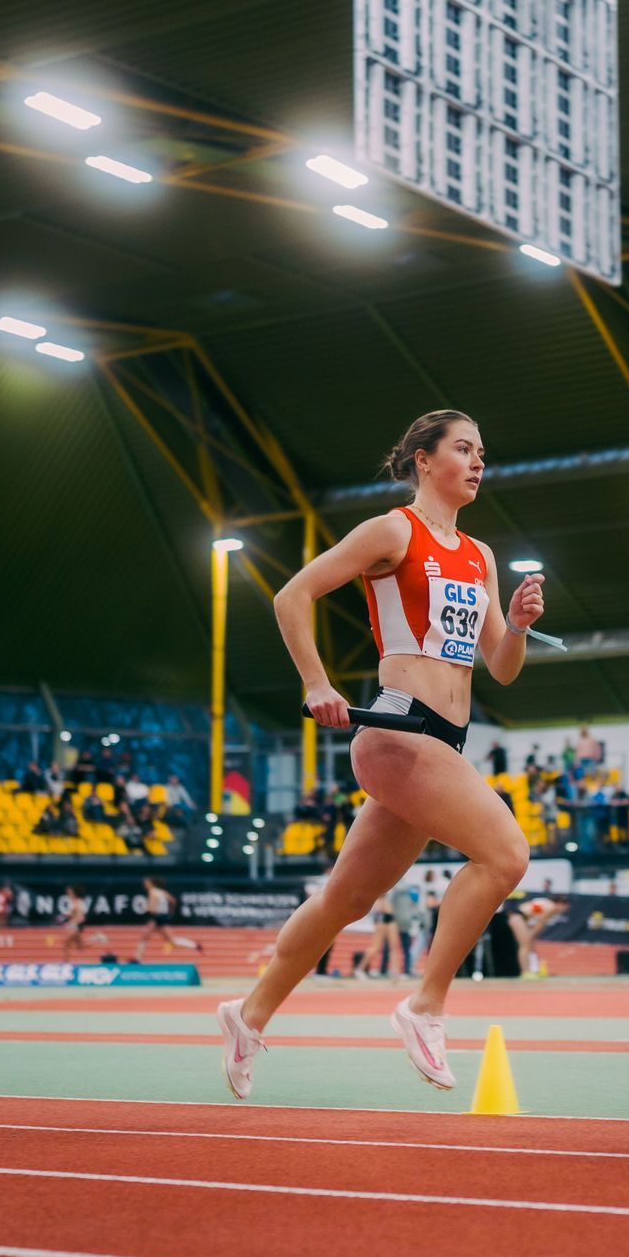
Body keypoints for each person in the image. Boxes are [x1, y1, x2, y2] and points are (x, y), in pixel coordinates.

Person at [217, 409, 547, 1100]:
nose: (478, 461)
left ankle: (247, 1015)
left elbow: (501, 667)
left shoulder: (480, 555)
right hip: (397, 731)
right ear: (424, 460)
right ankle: (424, 1004)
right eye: (463, 449)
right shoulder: (394, 530)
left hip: (443, 740)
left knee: (345, 898)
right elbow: (292, 593)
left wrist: (514, 625)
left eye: (482, 451)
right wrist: (316, 681)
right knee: (507, 855)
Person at [134, 877, 203, 963]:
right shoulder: (161, 892)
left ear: (151, 883)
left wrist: (144, 907)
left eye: (146, 882)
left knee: (145, 937)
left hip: (157, 917)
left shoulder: (152, 892)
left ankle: (138, 958)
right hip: (162, 917)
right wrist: (170, 912)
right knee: (170, 941)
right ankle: (194, 945)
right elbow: (173, 900)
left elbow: (152, 908)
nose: (144, 884)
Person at [58, 885, 91, 958]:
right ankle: (97, 939)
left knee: (65, 944)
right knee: (80, 947)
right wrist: (64, 919)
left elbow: (81, 917)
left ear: (74, 893)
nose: (68, 893)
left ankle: (66, 964)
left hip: (75, 927)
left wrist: (73, 924)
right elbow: (71, 915)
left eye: (70, 892)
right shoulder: (73, 902)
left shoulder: (78, 903)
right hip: (74, 927)